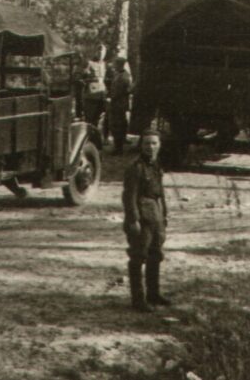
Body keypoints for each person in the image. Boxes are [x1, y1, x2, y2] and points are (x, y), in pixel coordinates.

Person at [122, 129, 171, 312]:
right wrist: (133, 220)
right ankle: (138, 299)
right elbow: (129, 196)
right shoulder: (136, 168)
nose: (150, 147)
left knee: (155, 254)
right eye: (146, 143)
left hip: (155, 214)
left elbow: (160, 193)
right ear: (140, 146)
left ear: (159, 145)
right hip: (141, 217)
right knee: (138, 256)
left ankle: (154, 294)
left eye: (154, 143)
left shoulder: (156, 165)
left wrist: (164, 215)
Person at [109, 56, 134, 155]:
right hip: (119, 103)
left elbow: (119, 91)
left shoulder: (123, 76)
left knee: (117, 126)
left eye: (115, 63)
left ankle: (118, 148)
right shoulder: (120, 74)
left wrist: (111, 97)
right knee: (119, 125)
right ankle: (118, 147)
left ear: (119, 64)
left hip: (119, 104)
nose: (113, 65)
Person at [81, 44, 108, 127]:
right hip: (91, 96)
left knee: (98, 119)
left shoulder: (104, 64)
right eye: (99, 53)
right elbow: (80, 78)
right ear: (96, 53)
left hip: (101, 96)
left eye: (103, 53)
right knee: (90, 119)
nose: (101, 55)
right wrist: (91, 81)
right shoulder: (89, 63)